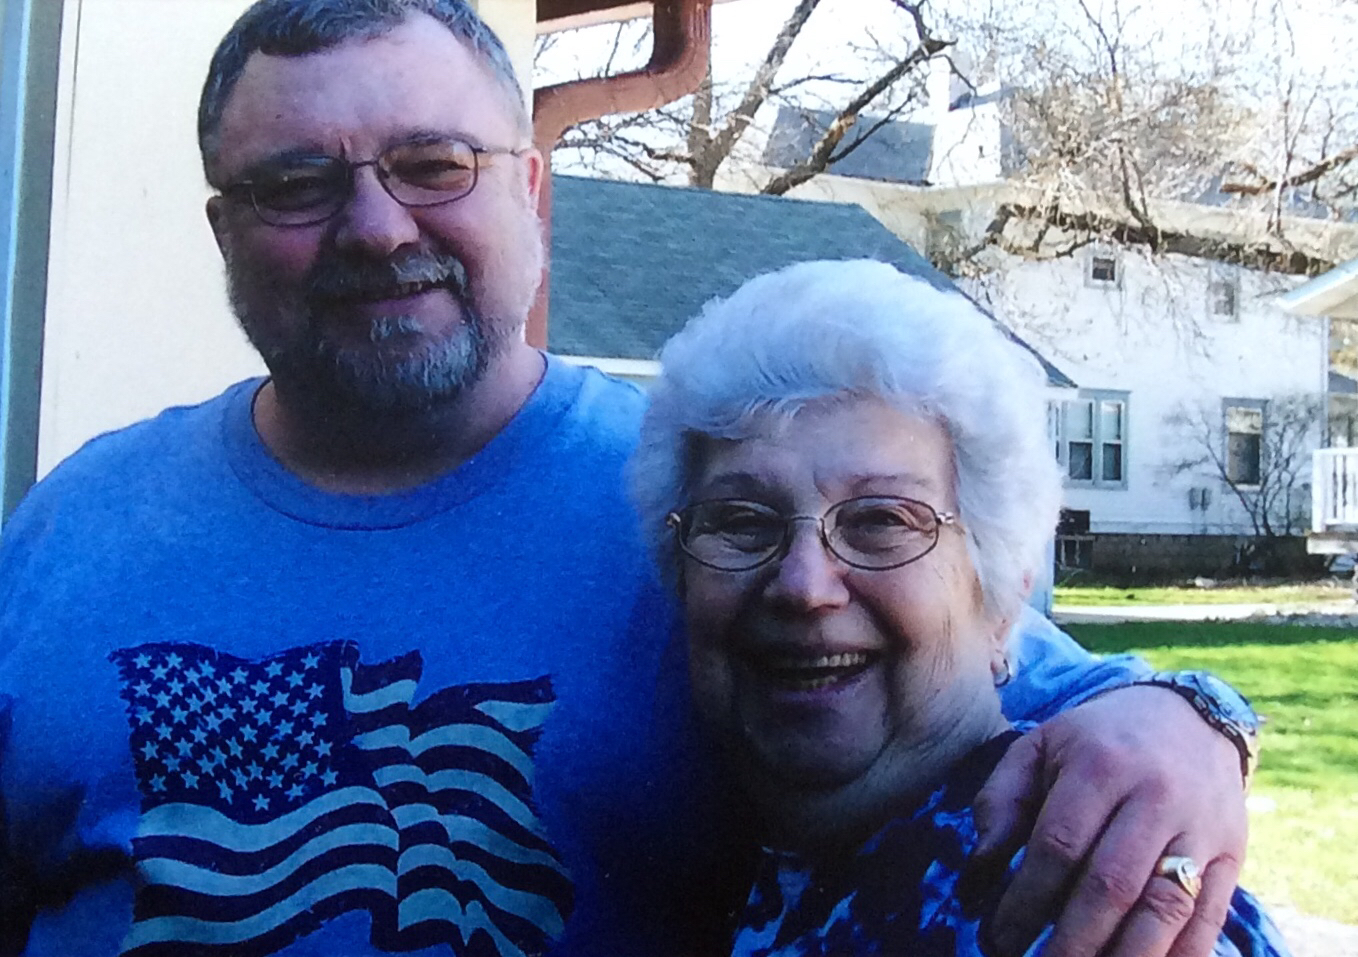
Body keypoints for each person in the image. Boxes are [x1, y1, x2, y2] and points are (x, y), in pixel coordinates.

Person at [0, 1, 1257, 955]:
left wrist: (1190, 720)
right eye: (296, 184)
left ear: (531, 192)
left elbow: (996, 681)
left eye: (434, 165)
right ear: (224, 229)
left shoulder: (714, 510)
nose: (376, 227)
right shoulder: (75, 524)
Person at [631, 259, 1290, 957]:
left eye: (882, 520)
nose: (803, 585)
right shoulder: (761, 862)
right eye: (741, 520)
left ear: (1001, 599)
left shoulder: (1079, 895)